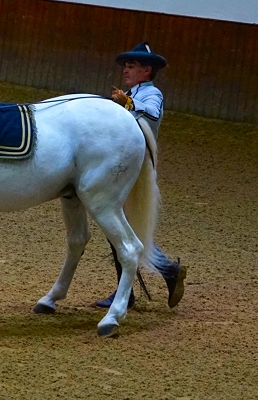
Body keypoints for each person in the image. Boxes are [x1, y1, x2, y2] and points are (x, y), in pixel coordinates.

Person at [95, 42, 187, 309]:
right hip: (122, 163)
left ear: (147, 71)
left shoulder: (151, 94)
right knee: (120, 229)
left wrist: (128, 103)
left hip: (136, 167)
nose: (126, 69)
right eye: (126, 65)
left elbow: (152, 114)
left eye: (132, 66)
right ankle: (147, 282)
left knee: (120, 229)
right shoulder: (129, 92)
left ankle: (143, 284)